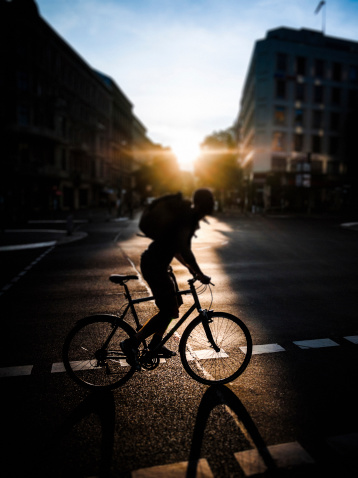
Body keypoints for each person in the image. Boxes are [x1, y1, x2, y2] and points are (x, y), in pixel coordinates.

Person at [120, 188, 214, 370]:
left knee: (176, 302)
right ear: (205, 205)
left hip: (158, 265)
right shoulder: (187, 217)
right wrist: (199, 274)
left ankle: (156, 342)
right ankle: (132, 342)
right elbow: (185, 251)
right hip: (153, 266)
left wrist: (191, 269)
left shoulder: (186, 216)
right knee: (168, 309)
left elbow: (177, 249)